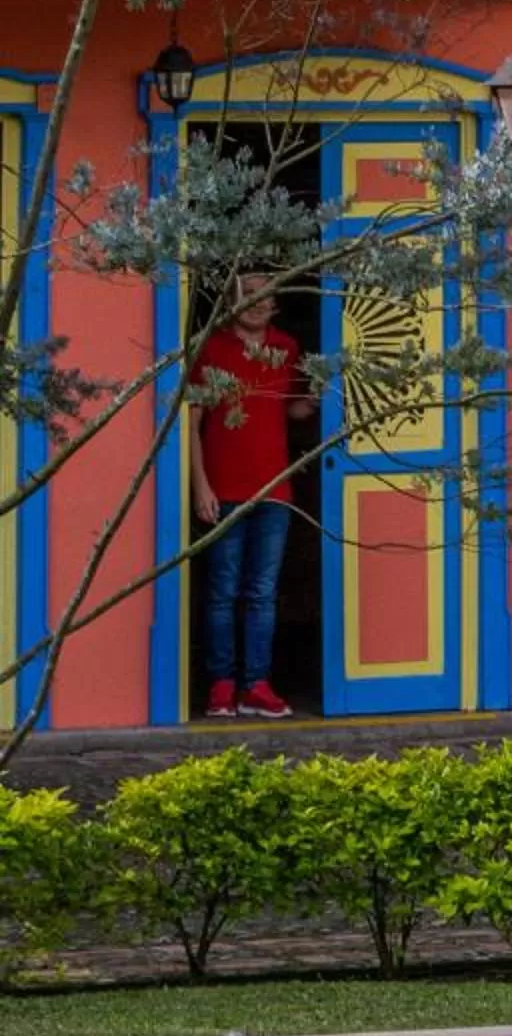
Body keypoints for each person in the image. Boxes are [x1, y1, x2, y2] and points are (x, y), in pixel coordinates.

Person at [189, 273, 312, 720]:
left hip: (274, 488)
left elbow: (294, 409)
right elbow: (192, 420)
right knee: (222, 590)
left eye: (268, 296)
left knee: (262, 592)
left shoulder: (286, 348)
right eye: (252, 295)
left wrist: (325, 393)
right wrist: (199, 484)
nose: (261, 303)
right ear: (233, 301)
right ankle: (222, 686)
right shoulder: (213, 348)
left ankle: (256, 686)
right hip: (223, 488)